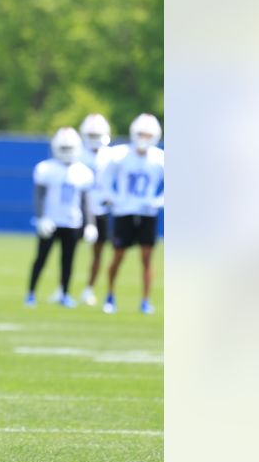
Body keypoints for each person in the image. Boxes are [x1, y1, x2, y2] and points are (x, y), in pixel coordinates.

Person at [100, 114, 165, 314]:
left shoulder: (159, 158)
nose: (144, 138)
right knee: (118, 256)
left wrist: (158, 201)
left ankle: (145, 301)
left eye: (148, 135)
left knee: (146, 258)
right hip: (124, 211)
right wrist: (113, 198)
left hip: (147, 213)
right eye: (141, 134)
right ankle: (110, 295)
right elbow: (105, 178)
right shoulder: (119, 155)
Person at [26, 128, 95, 308]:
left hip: (72, 222)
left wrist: (90, 224)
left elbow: (86, 201)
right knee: (41, 258)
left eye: (69, 148)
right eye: (63, 148)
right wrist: (41, 218)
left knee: (68, 261)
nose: (66, 152)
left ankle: (65, 294)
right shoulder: (46, 168)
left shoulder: (83, 171)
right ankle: (31, 293)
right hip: (50, 221)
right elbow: (39, 196)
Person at [78, 114, 115, 305]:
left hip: (100, 208)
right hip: (79, 209)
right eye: (90, 134)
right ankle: (63, 287)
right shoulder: (77, 153)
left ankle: (89, 289)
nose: (93, 138)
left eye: (96, 134)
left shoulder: (111, 155)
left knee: (98, 252)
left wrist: (113, 197)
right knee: (68, 249)